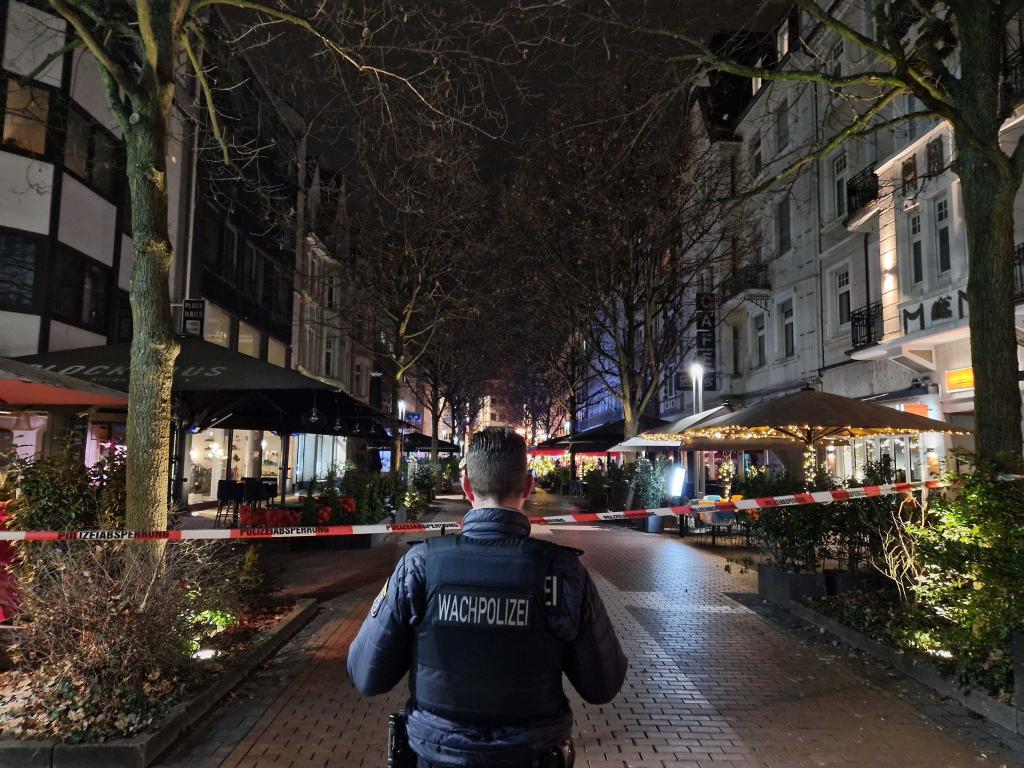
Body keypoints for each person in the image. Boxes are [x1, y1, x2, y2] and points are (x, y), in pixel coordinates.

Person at [347, 427, 627, 767]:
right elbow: (603, 684)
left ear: (466, 487)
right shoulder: (562, 571)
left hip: (436, 759)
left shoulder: (420, 566)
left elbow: (366, 674)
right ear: (527, 486)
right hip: (532, 759)